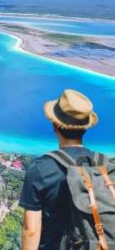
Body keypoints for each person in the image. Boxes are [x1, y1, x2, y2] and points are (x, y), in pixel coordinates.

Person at [20, 89, 99, 250]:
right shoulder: (104, 166)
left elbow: (31, 231)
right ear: (85, 128)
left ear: (55, 125)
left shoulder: (41, 169)